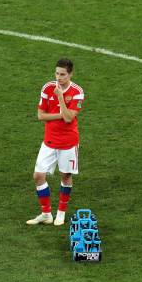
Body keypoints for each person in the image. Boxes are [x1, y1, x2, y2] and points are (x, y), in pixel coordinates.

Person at [27, 58, 84, 226]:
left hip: (68, 142)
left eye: (63, 74)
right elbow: (40, 115)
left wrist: (60, 98)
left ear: (70, 74)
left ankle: (61, 212)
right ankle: (46, 214)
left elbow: (68, 119)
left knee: (65, 176)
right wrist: (60, 114)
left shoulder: (77, 92)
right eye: (57, 73)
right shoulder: (47, 88)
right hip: (49, 140)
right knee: (38, 176)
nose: (58, 77)